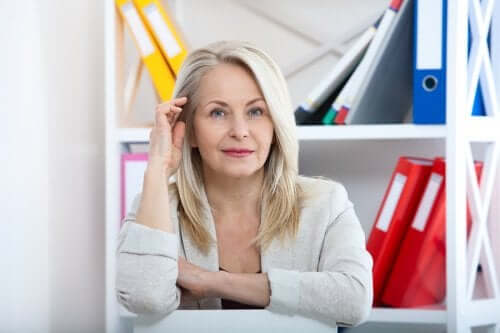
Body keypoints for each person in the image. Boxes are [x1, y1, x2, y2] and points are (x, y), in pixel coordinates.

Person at [116, 40, 373, 327]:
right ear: (189, 130)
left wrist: (212, 282)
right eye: (218, 113)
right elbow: (145, 298)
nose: (240, 131)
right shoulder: (157, 209)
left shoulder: (326, 203)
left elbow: (355, 300)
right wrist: (158, 167)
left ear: (275, 126)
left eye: (256, 112)